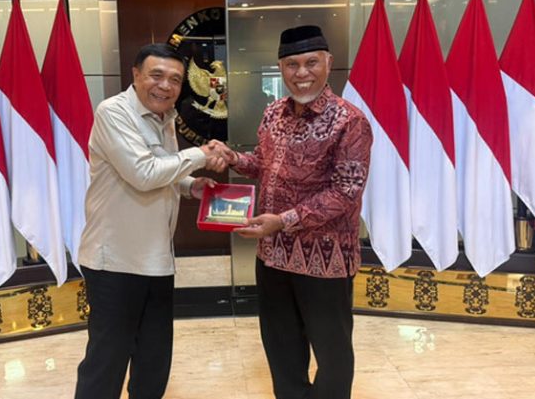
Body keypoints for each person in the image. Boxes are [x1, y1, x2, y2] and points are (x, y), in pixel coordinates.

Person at [214, 25, 373, 399]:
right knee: (281, 349)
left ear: (328, 63)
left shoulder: (350, 121)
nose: (302, 73)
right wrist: (232, 157)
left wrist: (283, 221)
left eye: (311, 63)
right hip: (272, 256)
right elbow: (264, 164)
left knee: (332, 355)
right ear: (280, 68)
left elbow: (346, 191)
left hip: (325, 262)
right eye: (292, 64)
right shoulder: (274, 112)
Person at [74, 43, 227, 399]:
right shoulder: (114, 112)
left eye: (175, 79)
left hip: (156, 262)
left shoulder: (165, 117)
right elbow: (143, 173)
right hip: (115, 263)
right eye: (156, 75)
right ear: (136, 74)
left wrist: (191, 185)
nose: (165, 86)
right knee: (106, 364)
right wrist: (200, 154)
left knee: (153, 363)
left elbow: (163, 170)